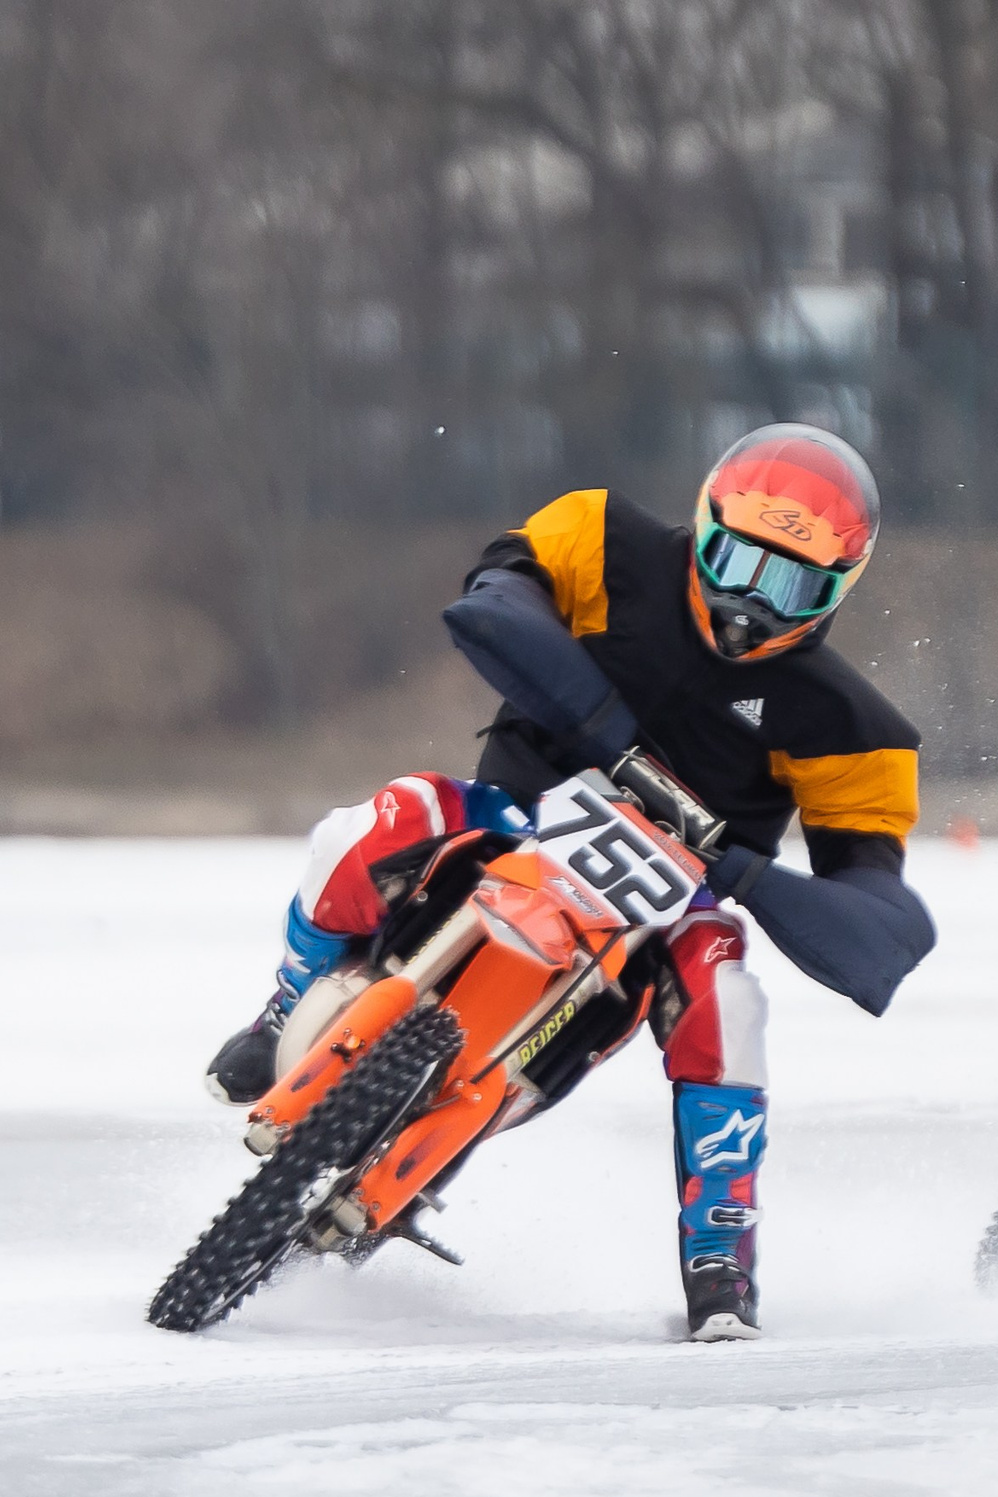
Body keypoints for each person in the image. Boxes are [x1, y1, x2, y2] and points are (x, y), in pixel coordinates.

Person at [204, 423, 936, 1341]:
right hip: (513, 812)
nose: (749, 601)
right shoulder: (604, 537)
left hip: (667, 914)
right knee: (374, 820)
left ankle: (721, 1257)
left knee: (732, 1003)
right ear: (700, 525)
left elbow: (878, 918)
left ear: (837, 591)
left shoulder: (856, 729)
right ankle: (286, 1008)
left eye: (788, 583)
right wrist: (614, 743)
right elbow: (495, 601)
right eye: (733, 560)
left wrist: (741, 869)